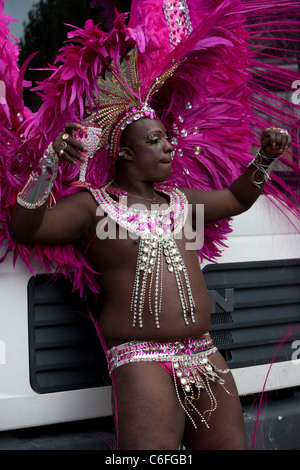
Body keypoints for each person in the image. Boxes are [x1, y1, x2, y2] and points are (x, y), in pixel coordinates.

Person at [9, 116, 291, 449]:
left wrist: (265, 157)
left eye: (167, 139)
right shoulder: (92, 207)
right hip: (142, 361)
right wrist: (49, 162)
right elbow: (25, 228)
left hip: (204, 353)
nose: (170, 146)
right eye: (155, 140)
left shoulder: (183, 203)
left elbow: (235, 198)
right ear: (126, 154)